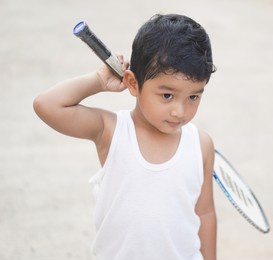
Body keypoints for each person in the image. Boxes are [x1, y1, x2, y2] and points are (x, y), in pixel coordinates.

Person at [33, 14, 217, 260]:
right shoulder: (112, 131)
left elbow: (204, 213)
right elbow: (47, 105)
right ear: (133, 83)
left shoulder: (201, 145)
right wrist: (99, 81)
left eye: (193, 97)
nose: (180, 111)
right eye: (167, 95)